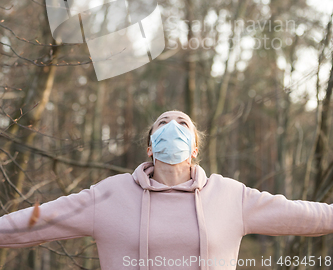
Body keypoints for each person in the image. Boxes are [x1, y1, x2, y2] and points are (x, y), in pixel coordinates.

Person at [0, 109, 333, 270]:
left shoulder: (231, 196)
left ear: (195, 148)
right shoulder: (108, 195)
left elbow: (302, 215)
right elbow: (37, 220)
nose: (172, 127)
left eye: (182, 123)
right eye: (162, 123)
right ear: (150, 147)